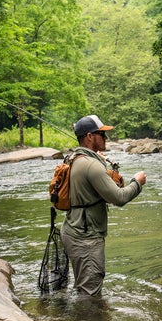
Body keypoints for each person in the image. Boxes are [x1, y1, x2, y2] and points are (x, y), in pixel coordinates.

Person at [61, 114, 146, 295]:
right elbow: (119, 197)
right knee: (90, 293)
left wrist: (98, 159)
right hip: (86, 238)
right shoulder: (91, 165)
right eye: (101, 133)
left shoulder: (76, 158)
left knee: (84, 287)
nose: (106, 138)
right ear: (90, 137)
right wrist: (137, 182)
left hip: (73, 230)